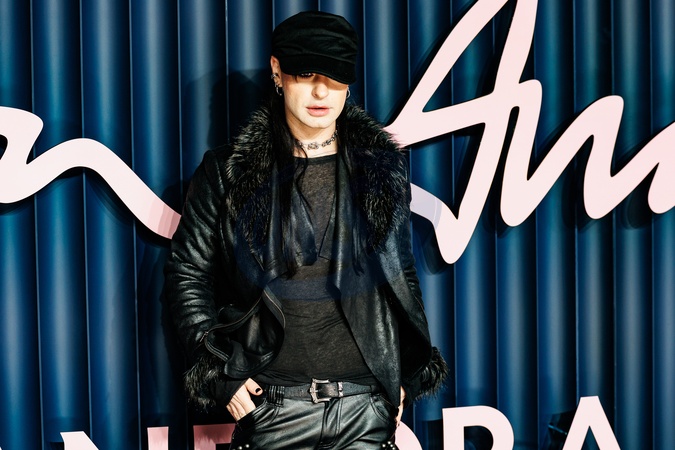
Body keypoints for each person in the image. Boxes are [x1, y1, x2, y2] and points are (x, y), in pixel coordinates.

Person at [164, 10, 446, 449]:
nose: (320, 91)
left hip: (366, 408)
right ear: (277, 71)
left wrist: (404, 375)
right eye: (306, 73)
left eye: (335, 76)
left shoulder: (379, 169)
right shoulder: (227, 173)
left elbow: (400, 275)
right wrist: (218, 371)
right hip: (273, 409)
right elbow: (188, 273)